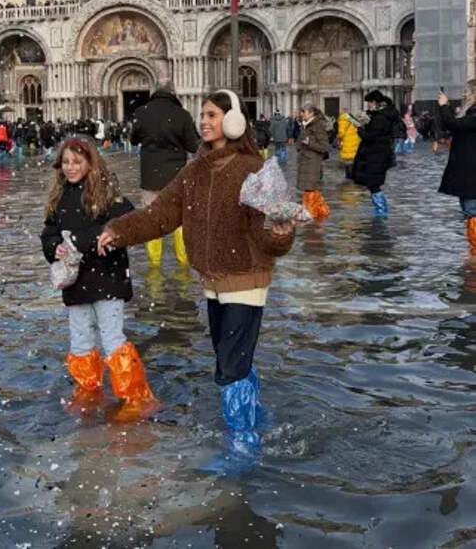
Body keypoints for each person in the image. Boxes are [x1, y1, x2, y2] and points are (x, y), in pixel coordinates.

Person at [98, 90, 295, 451]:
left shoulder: (252, 169)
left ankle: (242, 446)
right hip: (212, 280)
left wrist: (281, 234)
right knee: (230, 357)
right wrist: (117, 230)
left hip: (246, 276)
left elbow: (267, 232)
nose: (204, 121)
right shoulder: (193, 172)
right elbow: (160, 215)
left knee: (229, 367)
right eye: (202, 115)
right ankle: (254, 416)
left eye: (212, 115)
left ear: (234, 121)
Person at [40, 137, 155, 416]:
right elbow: (49, 230)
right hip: (76, 282)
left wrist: (81, 240)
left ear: (90, 163)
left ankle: (134, 397)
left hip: (107, 278)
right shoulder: (59, 197)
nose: (70, 167)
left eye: (77, 162)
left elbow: (126, 223)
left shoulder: (108, 194)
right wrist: (53, 245)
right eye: (66, 162)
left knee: (112, 338)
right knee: (79, 339)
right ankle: (88, 390)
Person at [129, 80, 200, 267]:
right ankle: (183, 264)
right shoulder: (182, 115)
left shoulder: (141, 113)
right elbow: (193, 146)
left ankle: (154, 265)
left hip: (150, 177)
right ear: (173, 94)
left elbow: (133, 139)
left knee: (152, 220)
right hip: (176, 178)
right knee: (180, 221)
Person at [437, 80, 476, 255]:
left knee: (471, 210)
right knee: (469, 210)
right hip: (467, 170)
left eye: (467, 91)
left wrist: (444, 106)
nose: (464, 94)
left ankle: (475, 252)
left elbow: (453, 125)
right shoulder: (471, 113)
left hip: (471, 172)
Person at [352, 90, 400, 216]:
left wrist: (360, 129)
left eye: (369, 103)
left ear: (374, 102)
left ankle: (381, 211)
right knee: (373, 184)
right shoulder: (381, 116)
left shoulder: (380, 118)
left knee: (373, 185)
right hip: (377, 155)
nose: (368, 106)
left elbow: (370, 136)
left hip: (376, 156)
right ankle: (380, 210)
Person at [296, 103, 330, 219]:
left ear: (311, 113)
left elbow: (324, 147)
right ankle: (320, 213)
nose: (301, 114)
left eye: (303, 112)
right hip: (306, 163)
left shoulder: (318, 126)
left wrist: (309, 143)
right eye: (301, 112)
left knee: (310, 191)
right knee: (311, 191)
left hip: (312, 164)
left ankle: (310, 215)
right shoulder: (306, 125)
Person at [337, 110, 361, 179]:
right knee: (352, 158)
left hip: (347, 141)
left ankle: (349, 175)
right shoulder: (352, 120)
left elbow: (341, 133)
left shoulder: (343, 120)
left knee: (347, 159)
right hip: (355, 141)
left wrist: (338, 137)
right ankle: (353, 174)